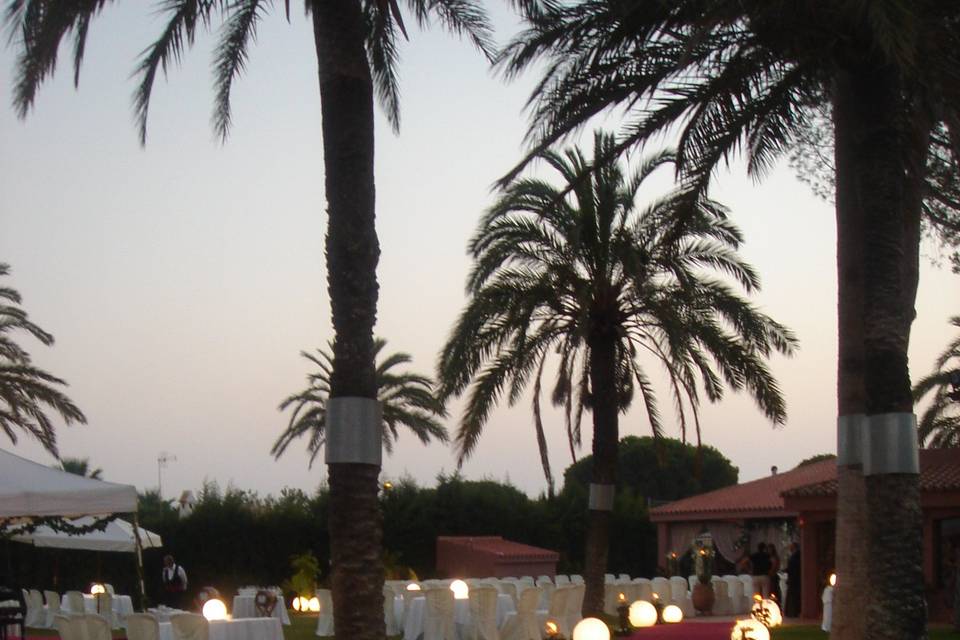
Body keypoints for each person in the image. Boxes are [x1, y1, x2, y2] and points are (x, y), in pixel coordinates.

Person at [785, 542, 801, 617]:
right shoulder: (794, 556)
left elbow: (794, 568)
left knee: (793, 596)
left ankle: (794, 612)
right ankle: (791, 612)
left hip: (794, 579)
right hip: (792, 578)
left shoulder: (796, 556)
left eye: (791, 547)